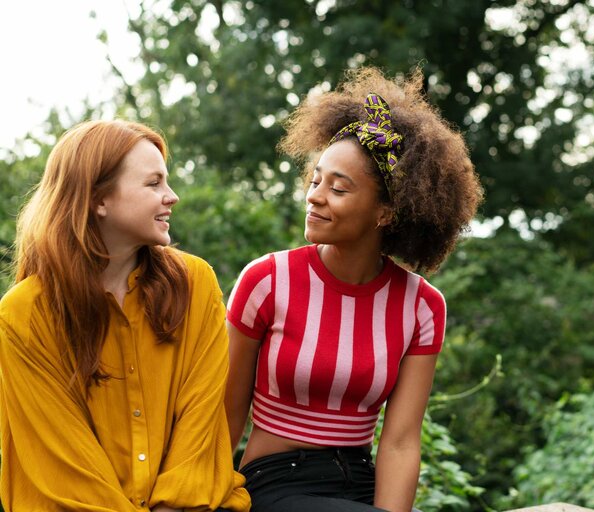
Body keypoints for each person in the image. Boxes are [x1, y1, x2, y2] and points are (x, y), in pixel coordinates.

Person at [225, 67, 482, 512]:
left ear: (385, 212)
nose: (315, 195)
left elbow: (400, 443)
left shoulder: (421, 307)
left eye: (338, 188)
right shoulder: (266, 281)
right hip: (274, 484)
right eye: (315, 179)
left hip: (360, 484)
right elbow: (225, 415)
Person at [0, 120, 250, 511]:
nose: (172, 197)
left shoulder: (195, 284)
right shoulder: (24, 315)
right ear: (99, 199)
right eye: (153, 184)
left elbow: (200, 423)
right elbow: (62, 461)